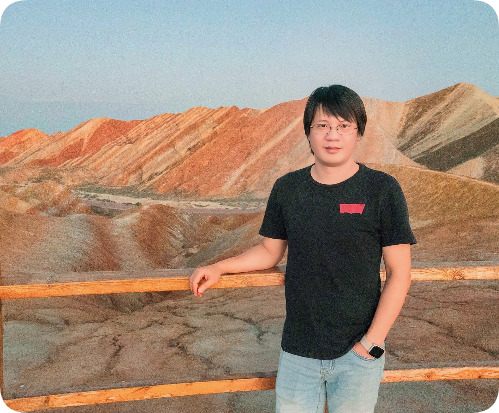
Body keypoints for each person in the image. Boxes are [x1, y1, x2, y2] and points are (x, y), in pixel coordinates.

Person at [189, 84, 416, 413]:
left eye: (343, 126)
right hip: (298, 353)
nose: (332, 135)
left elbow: (400, 273)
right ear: (308, 132)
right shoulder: (288, 189)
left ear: (358, 132)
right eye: (322, 125)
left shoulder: (382, 190)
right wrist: (219, 267)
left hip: (358, 354)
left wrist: (371, 344)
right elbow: (269, 252)